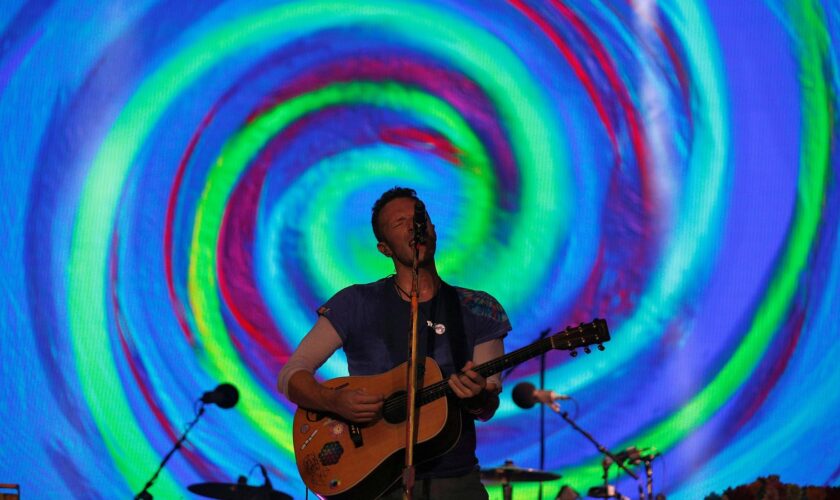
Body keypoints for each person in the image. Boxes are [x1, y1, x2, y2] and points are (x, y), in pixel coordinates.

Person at [278, 187, 511, 499]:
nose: (414, 226)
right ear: (384, 248)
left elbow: (487, 407)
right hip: (373, 480)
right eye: (399, 223)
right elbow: (291, 375)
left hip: (454, 481)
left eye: (419, 218)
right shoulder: (355, 303)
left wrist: (476, 397)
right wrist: (332, 401)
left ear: (433, 229)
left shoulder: (478, 308)